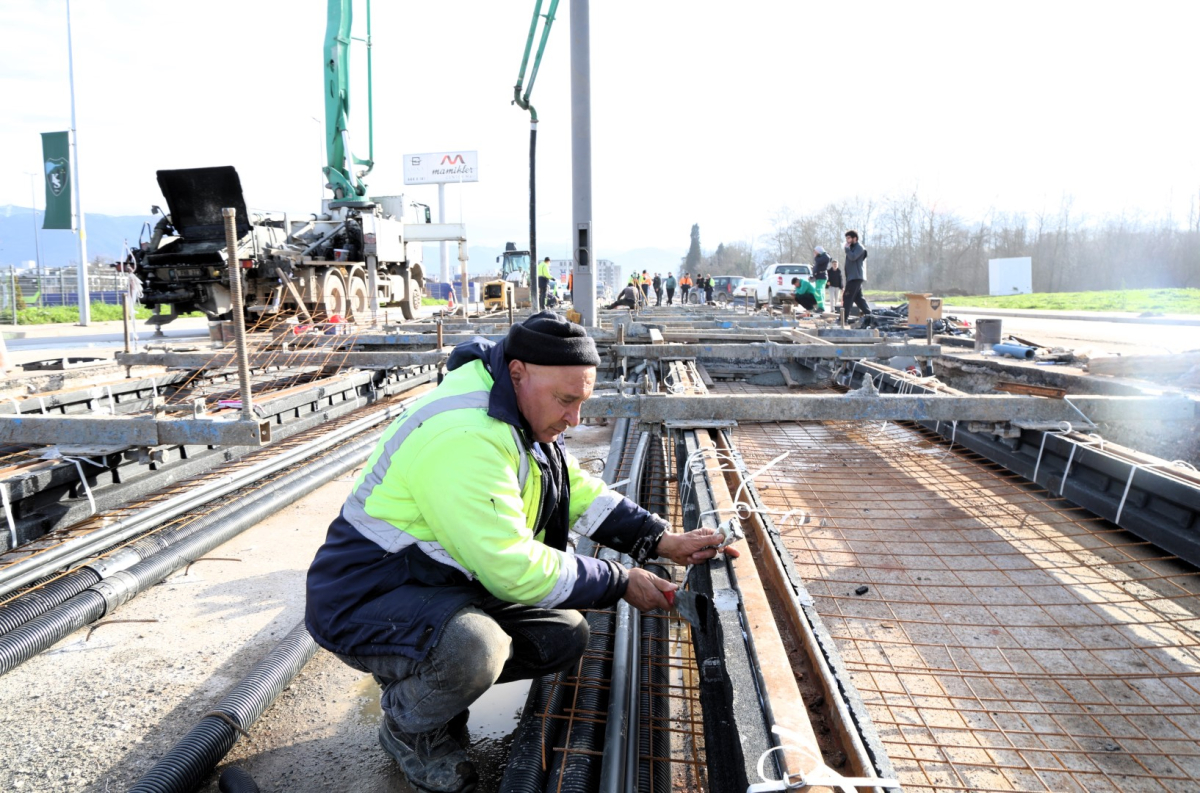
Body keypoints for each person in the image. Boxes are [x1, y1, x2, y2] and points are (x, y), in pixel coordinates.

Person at [306, 312, 735, 792]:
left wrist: (658, 540)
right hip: (367, 596)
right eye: (566, 401)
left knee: (564, 634)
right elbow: (512, 567)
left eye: (582, 401)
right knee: (475, 651)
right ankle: (408, 725)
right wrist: (619, 580)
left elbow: (572, 487)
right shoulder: (465, 437)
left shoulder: (516, 412)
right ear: (518, 374)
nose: (575, 418)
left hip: (433, 583)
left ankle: (427, 685)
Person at [842, 231, 871, 322]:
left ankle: (843, 319)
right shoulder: (851, 248)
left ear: (855, 238)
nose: (847, 241)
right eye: (846, 238)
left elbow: (853, 257)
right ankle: (870, 316)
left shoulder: (859, 248)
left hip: (856, 277)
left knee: (847, 298)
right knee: (858, 299)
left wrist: (847, 249)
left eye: (849, 238)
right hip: (852, 277)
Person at [812, 247, 830, 312]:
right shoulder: (821, 257)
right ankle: (820, 306)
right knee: (819, 292)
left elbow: (818, 261)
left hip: (821, 277)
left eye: (815, 252)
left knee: (818, 292)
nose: (814, 253)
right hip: (819, 277)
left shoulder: (825, 256)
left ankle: (821, 307)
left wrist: (816, 257)